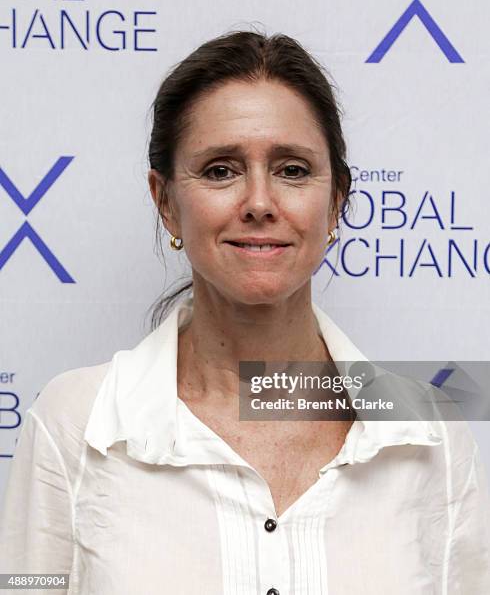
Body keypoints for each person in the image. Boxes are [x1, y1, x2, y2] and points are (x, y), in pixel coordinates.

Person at [0, 30, 489, 595]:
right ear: (166, 203)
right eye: (220, 170)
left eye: (293, 170)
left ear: (335, 202)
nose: (259, 203)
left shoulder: (428, 436)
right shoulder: (76, 427)